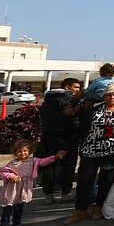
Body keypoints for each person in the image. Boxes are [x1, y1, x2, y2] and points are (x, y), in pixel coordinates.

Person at [64, 82, 114, 224]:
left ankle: (99, 206)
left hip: (111, 150)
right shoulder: (93, 108)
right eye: (109, 95)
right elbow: (79, 123)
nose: (112, 97)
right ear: (104, 96)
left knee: (106, 180)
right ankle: (80, 210)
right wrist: (76, 98)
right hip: (90, 150)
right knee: (84, 180)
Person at [0, 140, 66, 226]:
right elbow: (3, 172)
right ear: (15, 152)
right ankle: (4, 223)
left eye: (25, 151)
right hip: (12, 189)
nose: (23, 153)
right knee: (8, 206)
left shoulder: (33, 162)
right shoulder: (12, 164)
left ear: (29, 151)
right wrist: (11, 176)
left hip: (23, 188)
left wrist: (55, 157)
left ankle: (17, 222)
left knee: (19, 206)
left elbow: (44, 161)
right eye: (20, 151)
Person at [38, 77, 83, 205]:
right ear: (67, 87)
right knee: (68, 166)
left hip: (47, 137)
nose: (77, 90)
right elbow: (74, 120)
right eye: (76, 87)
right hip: (66, 138)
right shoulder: (69, 101)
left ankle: (48, 195)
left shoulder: (47, 100)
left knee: (49, 166)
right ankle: (65, 193)